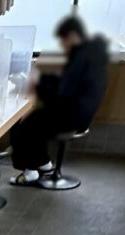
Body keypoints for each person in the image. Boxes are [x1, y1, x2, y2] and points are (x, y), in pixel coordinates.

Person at [10, 16, 109, 185]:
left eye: (63, 41)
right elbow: (67, 84)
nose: (63, 46)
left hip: (73, 114)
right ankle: (44, 163)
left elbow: (63, 89)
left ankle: (30, 171)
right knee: (36, 119)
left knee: (26, 125)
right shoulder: (93, 54)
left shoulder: (81, 55)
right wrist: (43, 82)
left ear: (72, 36)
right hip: (83, 113)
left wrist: (38, 84)